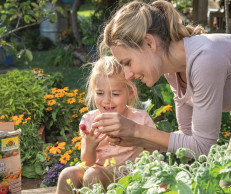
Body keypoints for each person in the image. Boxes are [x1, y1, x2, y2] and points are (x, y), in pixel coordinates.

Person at [92, 1, 231, 193]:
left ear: (150, 43)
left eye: (127, 63)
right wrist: (137, 139)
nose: (128, 75)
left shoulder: (204, 60)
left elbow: (202, 146)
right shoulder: (172, 69)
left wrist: (136, 129)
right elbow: (187, 139)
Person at [56, 56, 156, 194]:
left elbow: (154, 154)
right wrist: (90, 146)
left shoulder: (140, 119)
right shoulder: (90, 120)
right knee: (68, 174)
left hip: (127, 177)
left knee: (93, 175)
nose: (106, 100)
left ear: (130, 92)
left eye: (115, 94)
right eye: (100, 93)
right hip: (96, 171)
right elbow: (87, 163)